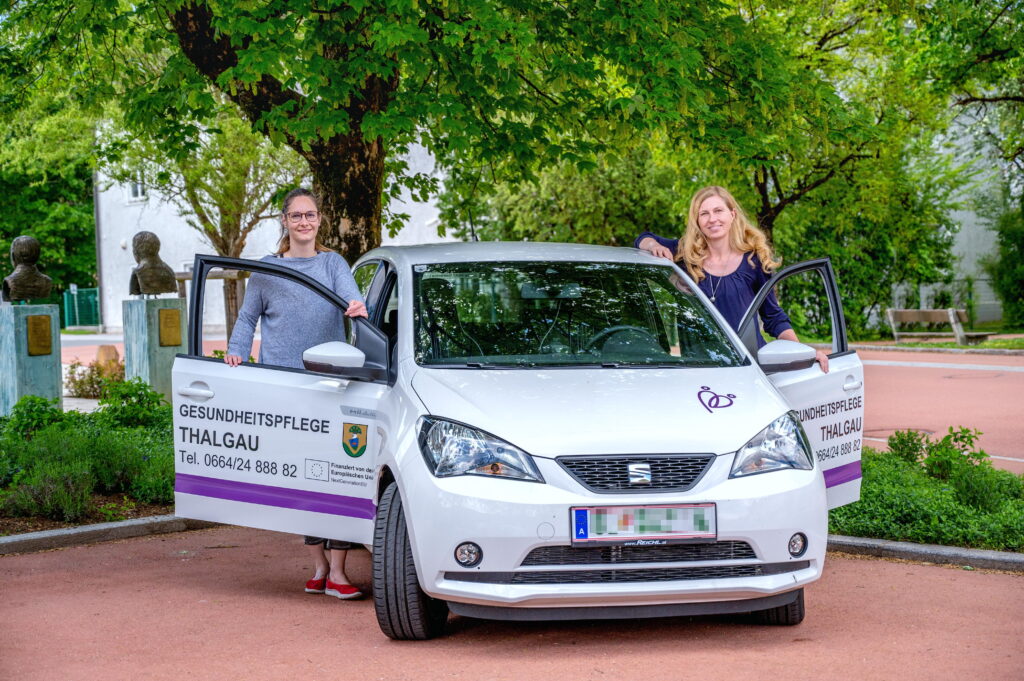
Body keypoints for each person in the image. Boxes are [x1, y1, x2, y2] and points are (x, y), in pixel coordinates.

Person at [225, 187, 369, 599]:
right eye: (296, 216)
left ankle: (338, 572)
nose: (304, 222)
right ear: (284, 222)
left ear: (319, 219)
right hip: (286, 387)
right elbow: (247, 317)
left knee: (339, 476)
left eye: (310, 215)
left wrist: (358, 307)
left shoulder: (332, 263)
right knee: (304, 478)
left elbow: (353, 299)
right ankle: (319, 565)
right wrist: (236, 354)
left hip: (332, 385)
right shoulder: (268, 270)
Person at [635, 185, 828, 372]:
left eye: (718, 211)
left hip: (746, 366)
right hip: (696, 366)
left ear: (732, 214)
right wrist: (653, 246)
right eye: (704, 213)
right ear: (697, 220)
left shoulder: (754, 261)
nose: (712, 219)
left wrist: (804, 352)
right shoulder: (686, 254)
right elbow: (643, 238)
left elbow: (773, 317)